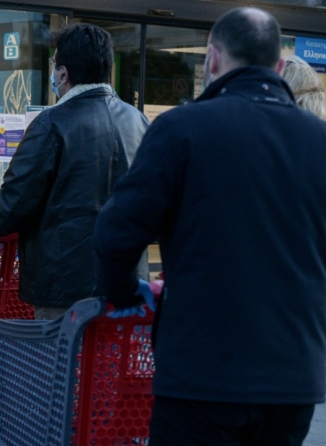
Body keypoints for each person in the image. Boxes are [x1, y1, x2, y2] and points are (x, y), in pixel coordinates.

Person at [93, 7, 326, 445]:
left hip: (201, 373)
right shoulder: (319, 141)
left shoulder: (182, 129)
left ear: (213, 59)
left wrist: (123, 293)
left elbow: (116, 233)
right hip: (294, 380)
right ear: (278, 66)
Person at [0, 23, 149, 320]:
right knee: (104, 365)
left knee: (60, 364)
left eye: (53, 66)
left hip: (65, 288)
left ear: (64, 74)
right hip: (126, 283)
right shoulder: (138, 121)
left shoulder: (50, 123)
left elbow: (14, 202)